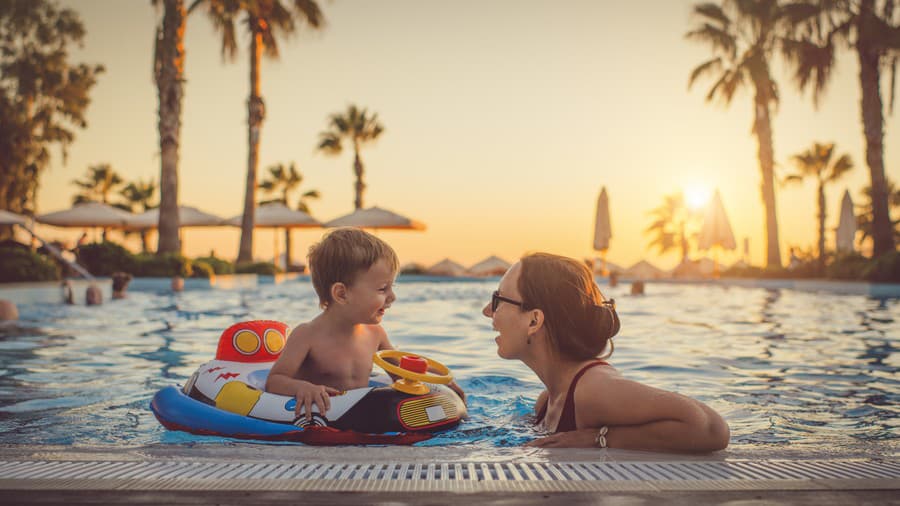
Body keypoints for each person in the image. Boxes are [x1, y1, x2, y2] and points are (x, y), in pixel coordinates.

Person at [483, 252, 729, 453]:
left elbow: (710, 428)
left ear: (534, 320)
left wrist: (599, 439)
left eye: (498, 300)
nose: (487, 311)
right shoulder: (546, 401)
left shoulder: (591, 390)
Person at [266, 228, 463, 422]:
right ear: (342, 294)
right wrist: (303, 388)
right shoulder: (307, 335)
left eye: (391, 287)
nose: (392, 297)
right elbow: (275, 381)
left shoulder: (375, 334)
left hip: (361, 419)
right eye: (382, 289)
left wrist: (438, 383)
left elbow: (400, 374)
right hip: (325, 421)